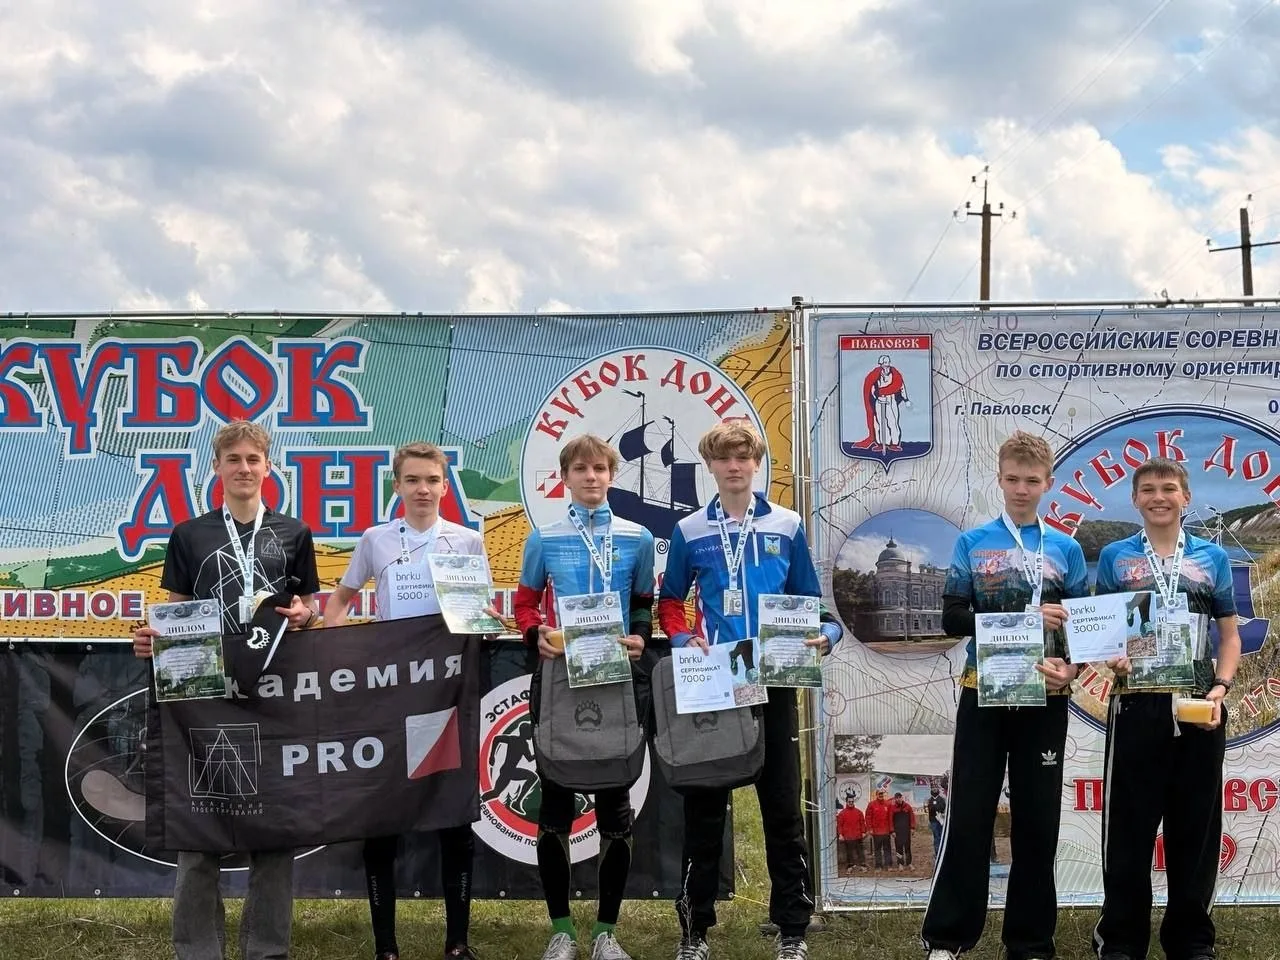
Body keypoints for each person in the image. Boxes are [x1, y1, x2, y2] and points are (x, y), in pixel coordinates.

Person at [131, 420, 319, 960]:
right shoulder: (190, 535)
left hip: (273, 695)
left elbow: (310, 609)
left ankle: (267, 950)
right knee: (199, 829)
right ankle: (197, 951)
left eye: (252, 459)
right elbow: (174, 614)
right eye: (233, 459)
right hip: (205, 698)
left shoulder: (295, 532)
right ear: (216, 468)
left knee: (275, 832)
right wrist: (152, 641)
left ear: (268, 467)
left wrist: (305, 617)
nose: (243, 468)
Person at [657, 421, 842, 960]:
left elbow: (810, 601)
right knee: (705, 811)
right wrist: (682, 638)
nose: (734, 466)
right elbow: (670, 601)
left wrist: (826, 636)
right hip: (717, 680)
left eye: (743, 458)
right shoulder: (690, 529)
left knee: (782, 808)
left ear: (757, 464)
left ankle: (792, 930)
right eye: (724, 458)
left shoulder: (787, 524)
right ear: (710, 466)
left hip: (774, 678)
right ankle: (694, 931)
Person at [921, 430, 1088, 960]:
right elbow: (951, 617)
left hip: (1045, 696)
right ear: (999, 479)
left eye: (1031, 481)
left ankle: (1031, 942)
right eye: (1013, 479)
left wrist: (1073, 668)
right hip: (984, 692)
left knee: (1038, 820)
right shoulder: (973, 543)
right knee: (970, 815)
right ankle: (948, 937)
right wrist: (1023, 618)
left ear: (1048, 483)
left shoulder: (1066, 548)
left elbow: (1082, 626)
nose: (1021, 489)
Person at [323, 441, 487, 960]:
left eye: (432, 480)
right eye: (412, 480)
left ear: (445, 486)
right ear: (396, 486)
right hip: (390, 697)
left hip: (446, 696)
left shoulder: (467, 541)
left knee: (454, 817)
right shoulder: (375, 539)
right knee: (383, 821)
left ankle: (457, 943)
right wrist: (343, 648)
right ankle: (386, 947)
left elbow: (478, 614)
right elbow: (340, 601)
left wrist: (480, 626)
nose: (422, 489)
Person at [514, 434, 656, 960]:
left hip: (615, 675)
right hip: (560, 677)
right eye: (580, 469)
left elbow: (642, 602)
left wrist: (640, 636)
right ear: (565, 477)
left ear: (612, 475)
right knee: (554, 805)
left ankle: (605, 934)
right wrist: (534, 634)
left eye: (599, 468)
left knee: (614, 807)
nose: (591, 477)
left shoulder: (638, 537)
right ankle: (561, 932)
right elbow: (525, 604)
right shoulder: (543, 538)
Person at [1093, 457, 1240, 960]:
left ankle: (1191, 941)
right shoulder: (1114, 557)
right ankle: (1121, 940)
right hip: (1137, 705)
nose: (1159, 497)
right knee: (1129, 830)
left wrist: (1221, 687)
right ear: (1135, 499)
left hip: (1199, 705)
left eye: (1169, 488)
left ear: (1186, 497)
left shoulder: (1212, 557)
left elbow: (1230, 636)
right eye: (1149, 489)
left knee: (1196, 828)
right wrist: (1112, 656)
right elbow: (1102, 631)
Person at [835, 798, 866, 875]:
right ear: (846, 802)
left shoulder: (859, 812)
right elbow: (839, 825)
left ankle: (862, 865)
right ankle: (850, 866)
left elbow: (862, 823)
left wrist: (863, 832)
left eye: (852, 801)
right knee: (849, 852)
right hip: (848, 836)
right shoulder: (842, 813)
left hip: (858, 836)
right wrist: (840, 834)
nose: (851, 803)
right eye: (849, 801)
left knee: (860, 851)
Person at [865, 790, 894, 870]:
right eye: (879, 794)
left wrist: (891, 830)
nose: (881, 795)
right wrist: (870, 829)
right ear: (876, 795)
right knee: (877, 850)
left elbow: (890, 818)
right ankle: (878, 865)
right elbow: (868, 817)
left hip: (886, 832)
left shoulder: (888, 804)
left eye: (882, 794)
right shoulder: (871, 804)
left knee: (887, 849)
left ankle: (888, 865)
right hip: (876, 832)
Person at [891, 792, 915, 870]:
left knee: (907, 848)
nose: (898, 799)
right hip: (897, 832)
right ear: (895, 799)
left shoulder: (908, 807)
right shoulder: (893, 808)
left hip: (906, 831)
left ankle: (909, 863)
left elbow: (912, 817)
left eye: (899, 797)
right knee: (899, 848)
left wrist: (912, 828)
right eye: (897, 798)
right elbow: (890, 820)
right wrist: (892, 831)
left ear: (902, 798)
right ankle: (900, 863)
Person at [926, 788, 946, 862]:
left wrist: (935, 806)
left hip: (941, 821)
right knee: (936, 837)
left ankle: (943, 852)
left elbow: (942, 807)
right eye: (933, 790)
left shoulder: (942, 799)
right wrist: (936, 806)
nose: (934, 791)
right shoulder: (929, 800)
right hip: (933, 821)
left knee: (942, 836)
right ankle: (937, 853)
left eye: (935, 790)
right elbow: (930, 809)